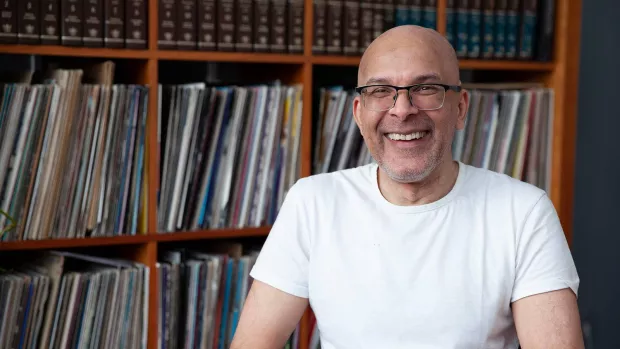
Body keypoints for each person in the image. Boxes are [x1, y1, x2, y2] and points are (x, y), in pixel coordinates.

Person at [231, 25, 583, 349]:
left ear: (461, 109)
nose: (402, 110)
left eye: (425, 88)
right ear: (358, 112)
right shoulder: (312, 203)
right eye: (381, 91)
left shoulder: (523, 212)